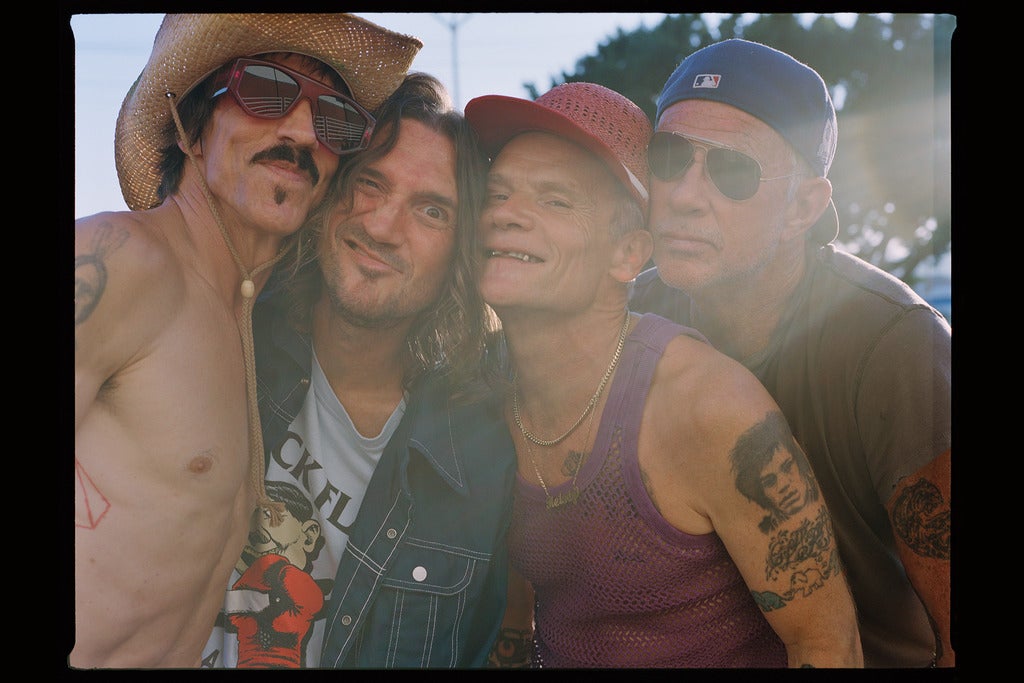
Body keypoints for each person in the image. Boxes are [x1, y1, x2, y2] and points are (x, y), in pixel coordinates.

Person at [465, 81, 862, 667]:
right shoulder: (482, 396)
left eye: (555, 201)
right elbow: (516, 621)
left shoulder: (708, 405)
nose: (505, 215)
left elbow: (828, 643)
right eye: (497, 194)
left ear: (628, 255)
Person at [73, 13, 421, 668]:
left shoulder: (244, 321)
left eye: (333, 120)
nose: (301, 134)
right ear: (192, 125)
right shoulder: (119, 261)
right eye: (264, 91)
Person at [629, 38, 953, 668]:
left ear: (804, 206)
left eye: (733, 171)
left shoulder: (896, 346)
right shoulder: (628, 315)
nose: (685, 194)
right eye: (669, 158)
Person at [199, 72, 524, 669]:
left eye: (431, 211)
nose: (381, 227)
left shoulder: (480, 462)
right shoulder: (221, 339)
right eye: (370, 184)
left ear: (461, 252)